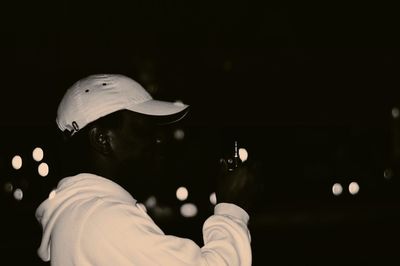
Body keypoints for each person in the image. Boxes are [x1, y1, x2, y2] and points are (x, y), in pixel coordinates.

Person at [35, 74, 255, 265]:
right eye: (143, 130)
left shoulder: (80, 212)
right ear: (102, 139)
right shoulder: (104, 218)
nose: (158, 140)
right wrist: (231, 209)